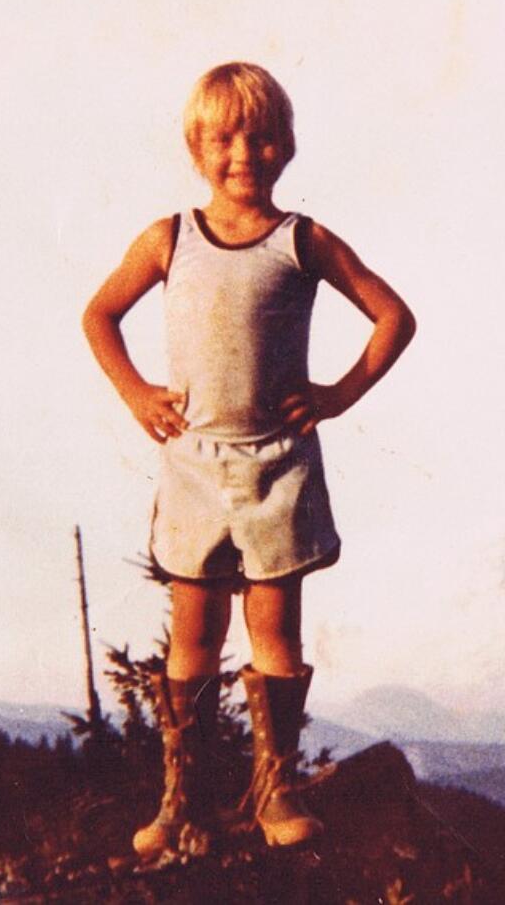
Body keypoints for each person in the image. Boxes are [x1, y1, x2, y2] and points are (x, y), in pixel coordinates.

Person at [82, 61, 415, 858]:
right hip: (195, 464)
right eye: (224, 136)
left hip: (279, 466)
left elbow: (393, 316)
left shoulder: (303, 240)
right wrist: (136, 394)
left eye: (261, 135)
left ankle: (276, 791)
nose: (243, 152)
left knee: (274, 628)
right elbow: (100, 313)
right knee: (193, 632)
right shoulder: (169, 238)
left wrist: (337, 395)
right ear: (196, 147)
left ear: (285, 146)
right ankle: (180, 801)